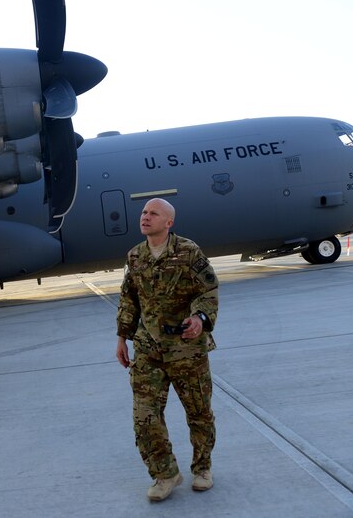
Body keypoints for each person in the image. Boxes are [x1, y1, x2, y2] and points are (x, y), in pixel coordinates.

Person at [115, 198, 219, 502]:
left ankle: (202, 468)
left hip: (187, 350)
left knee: (199, 413)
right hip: (149, 350)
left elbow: (208, 290)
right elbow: (128, 299)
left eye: (153, 213)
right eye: (144, 212)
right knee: (145, 416)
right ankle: (164, 473)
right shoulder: (135, 256)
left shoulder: (189, 252)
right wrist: (122, 337)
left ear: (168, 223)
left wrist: (200, 318)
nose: (145, 217)